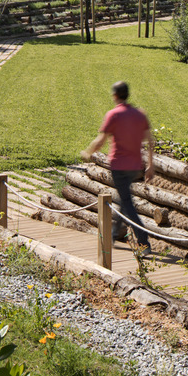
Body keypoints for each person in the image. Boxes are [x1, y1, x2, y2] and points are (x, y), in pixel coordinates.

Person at [81, 80, 154, 254]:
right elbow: (151, 141)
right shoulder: (140, 114)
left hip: (119, 167)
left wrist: (88, 152)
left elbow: (101, 140)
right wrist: (151, 166)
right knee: (124, 199)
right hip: (135, 167)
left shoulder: (113, 115)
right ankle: (113, 235)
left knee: (127, 203)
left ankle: (144, 243)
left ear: (115, 95)